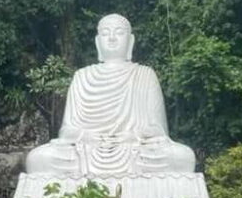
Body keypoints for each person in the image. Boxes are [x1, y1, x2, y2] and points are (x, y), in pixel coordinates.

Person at [24, 14, 196, 177]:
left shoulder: (145, 75)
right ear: (98, 42)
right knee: (38, 159)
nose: (112, 38)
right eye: (106, 33)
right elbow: (67, 131)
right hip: (87, 150)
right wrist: (87, 136)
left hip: (134, 150)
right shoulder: (82, 76)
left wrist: (133, 136)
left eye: (119, 33)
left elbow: (158, 130)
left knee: (182, 157)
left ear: (131, 41)